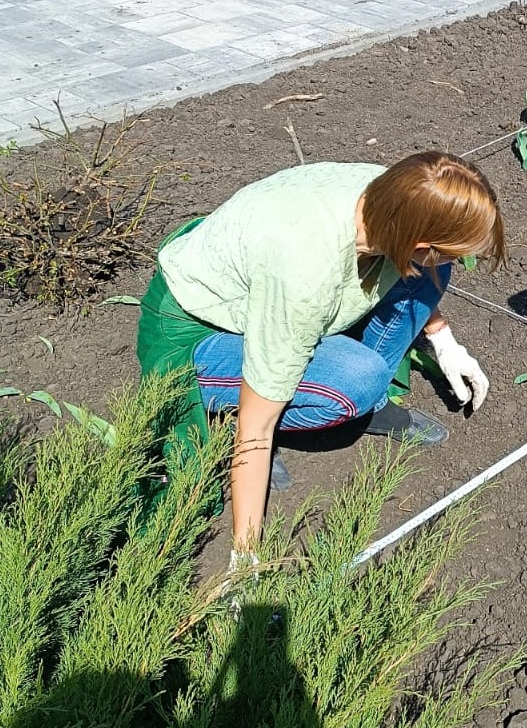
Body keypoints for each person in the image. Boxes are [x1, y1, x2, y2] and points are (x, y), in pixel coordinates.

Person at [136, 152, 505, 566]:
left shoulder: (396, 193)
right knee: (354, 380)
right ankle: (247, 402)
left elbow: (420, 267)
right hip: (198, 325)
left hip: (269, 291)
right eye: (450, 252)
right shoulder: (305, 274)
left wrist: (442, 339)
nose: (456, 261)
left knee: (429, 277)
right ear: (419, 244)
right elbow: (254, 430)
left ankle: (370, 405)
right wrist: (245, 555)